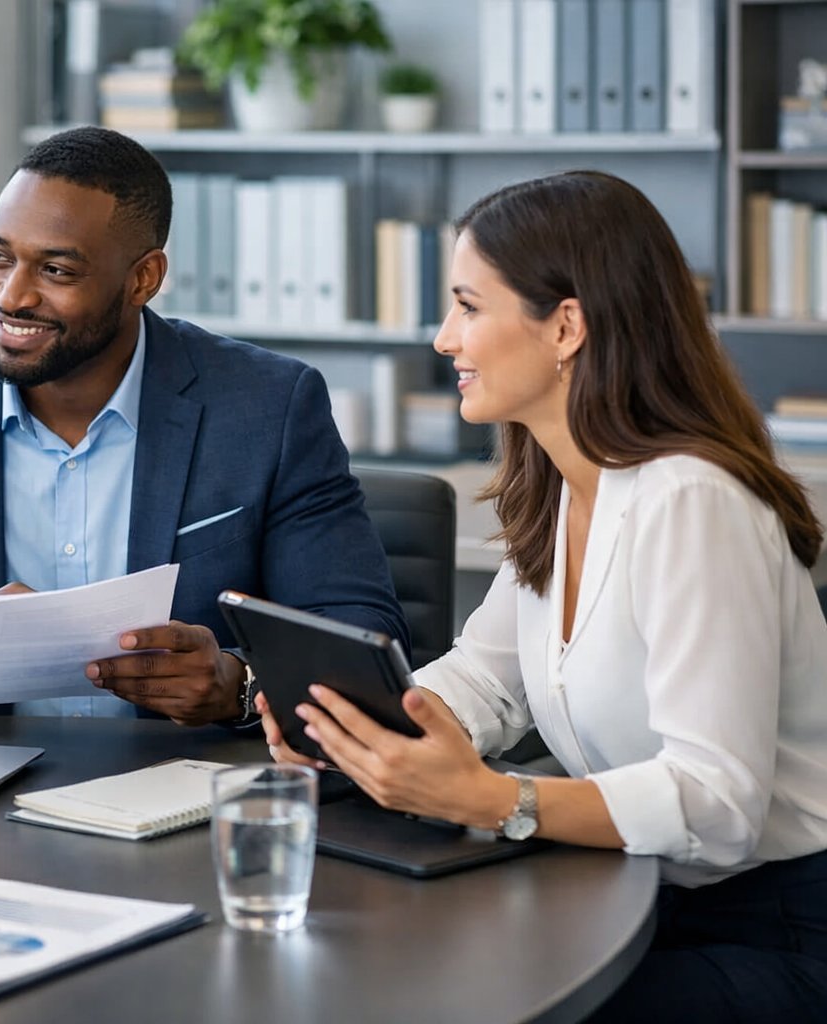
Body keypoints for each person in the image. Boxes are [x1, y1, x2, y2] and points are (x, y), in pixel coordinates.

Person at [262, 170, 827, 1022]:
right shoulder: (565, 485)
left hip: (774, 931)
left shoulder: (690, 502)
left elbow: (718, 807)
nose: (444, 338)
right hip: (640, 896)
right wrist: (358, 728)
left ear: (566, 326)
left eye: (468, 306)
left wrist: (492, 800)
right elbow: (487, 682)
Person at [0, 125, 404, 725]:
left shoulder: (267, 406)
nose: (11, 295)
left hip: (179, 784)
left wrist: (238, 683)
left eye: (57, 271)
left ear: (143, 278)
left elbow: (358, 633)